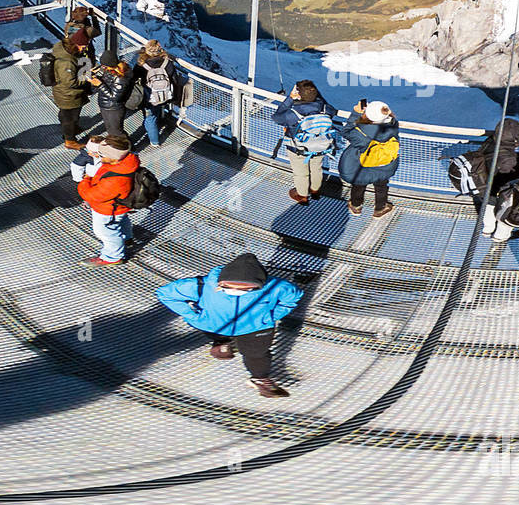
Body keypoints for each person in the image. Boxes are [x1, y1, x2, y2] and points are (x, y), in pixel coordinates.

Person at [155, 252, 304, 399]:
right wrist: (192, 315)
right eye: (227, 287)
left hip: (254, 327)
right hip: (213, 325)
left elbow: (293, 297)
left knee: (257, 354)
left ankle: (259, 378)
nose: (234, 291)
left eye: (245, 290)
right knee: (219, 335)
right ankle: (222, 342)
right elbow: (165, 294)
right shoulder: (202, 285)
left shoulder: (277, 287)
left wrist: (271, 316)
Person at [72, 132, 144, 266]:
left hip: (107, 209)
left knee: (105, 231)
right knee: (122, 221)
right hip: (120, 206)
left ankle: (112, 257)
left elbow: (92, 195)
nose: (97, 156)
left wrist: (86, 179)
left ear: (112, 158)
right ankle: (127, 239)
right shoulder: (126, 162)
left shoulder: (116, 179)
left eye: (101, 154)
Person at [270, 80, 344, 204]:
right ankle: (315, 190)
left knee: (301, 173)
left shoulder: (294, 114)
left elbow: (277, 117)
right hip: (321, 146)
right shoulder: (326, 109)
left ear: (298, 94)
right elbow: (331, 109)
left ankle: (302, 195)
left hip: (298, 149)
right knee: (317, 168)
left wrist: (290, 99)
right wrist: (315, 96)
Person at [339, 101, 403, 218]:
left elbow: (345, 131)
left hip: (362, 166)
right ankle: (380, 208)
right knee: (381, 185)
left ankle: (356, 206)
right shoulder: (393, 125)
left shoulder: (360, 133)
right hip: (384, 165)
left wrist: (356, 114)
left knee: (359, 185)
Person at [132, 42, 191, 147]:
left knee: (150, 118)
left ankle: (154, 141)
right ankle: (158, 120)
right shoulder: (167, 63)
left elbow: (134, 77)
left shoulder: (142, 65)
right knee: (156, 111)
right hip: (165, 95)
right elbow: (174, 79)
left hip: (148, 96)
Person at [45, 24, 93, 144]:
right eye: (83, 46)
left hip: (63, 92)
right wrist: (87, 78)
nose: (84, 48)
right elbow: (70, 82)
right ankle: (70, 140)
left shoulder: (63, 49)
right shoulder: (67, 61)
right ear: (76, 44)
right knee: (71, 118)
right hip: (68, 95)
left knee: (67, 115)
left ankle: (70, 131)